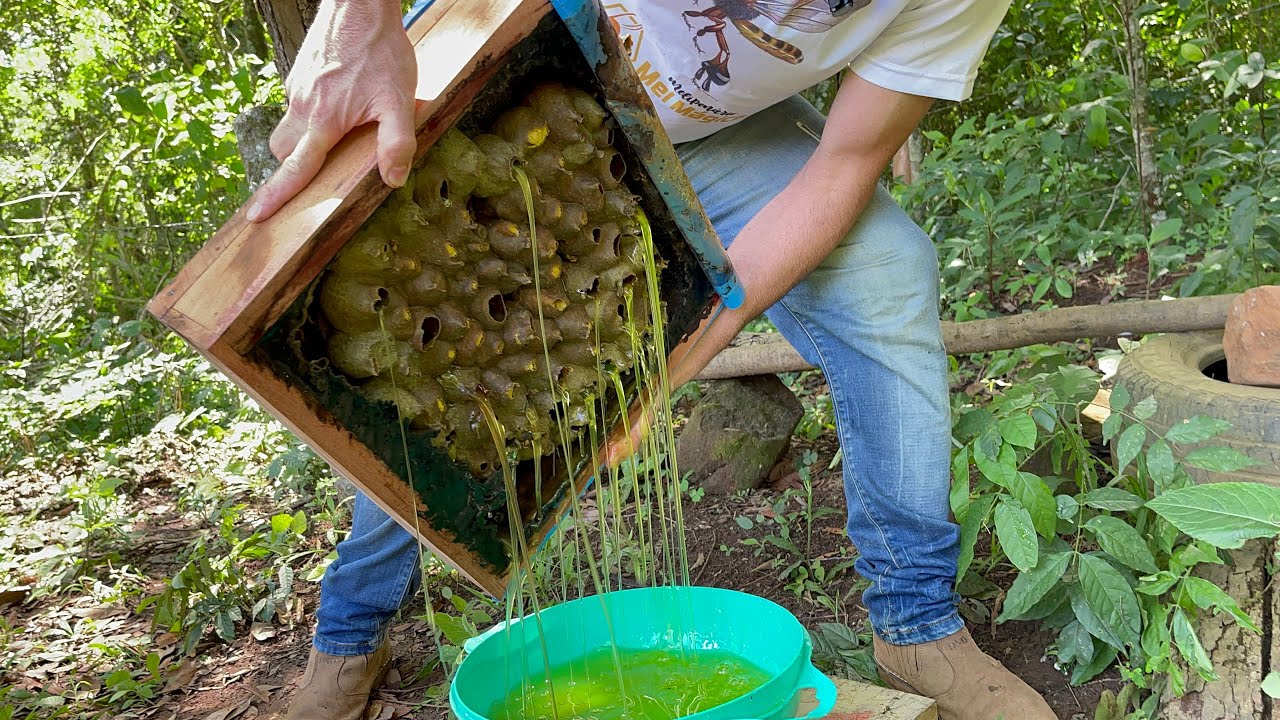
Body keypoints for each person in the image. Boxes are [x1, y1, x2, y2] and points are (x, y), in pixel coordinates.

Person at [252, 1, 1058, 718]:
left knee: (888, 269)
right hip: (519, 53)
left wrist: (675, 362)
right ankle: (352, 631)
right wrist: (360, 18)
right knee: (421, 362)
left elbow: (845, 162)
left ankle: (916, 625)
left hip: (710, 135)